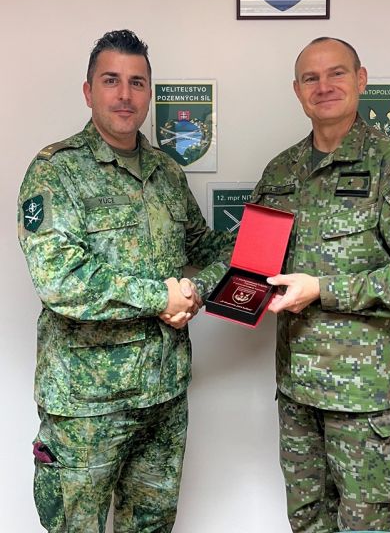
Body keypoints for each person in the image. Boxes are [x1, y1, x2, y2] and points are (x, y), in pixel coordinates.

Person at [18, 29, 233, 533]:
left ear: (149, 94)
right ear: (88, 91)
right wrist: (162, 297)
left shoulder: (166, 173)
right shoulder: (56, 172)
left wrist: (211, 279)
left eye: (137, 82)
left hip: (163, 395)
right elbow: (60, 278)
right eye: (111, 80)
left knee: (152, 527)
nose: (124, 94)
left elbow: (206, 248)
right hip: (86, 404)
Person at [251, 37, 390, 532]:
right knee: (307, 522)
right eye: (311, 78)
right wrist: (200, 292)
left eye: (336, 73)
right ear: (297, 90)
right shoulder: (281, 171)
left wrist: (325, 288)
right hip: (298, 395)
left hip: (364, 404)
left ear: (360, 80)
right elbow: (251, 261)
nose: (324, 86)